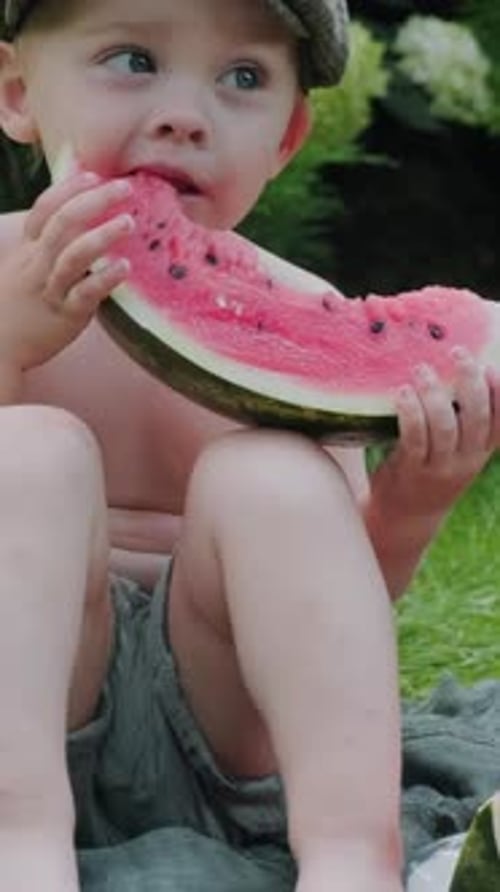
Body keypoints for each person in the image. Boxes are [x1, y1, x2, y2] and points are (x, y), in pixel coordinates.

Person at [0, 0, 498, 890]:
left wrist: (409, 507)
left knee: (273, 477)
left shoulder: (300, 314)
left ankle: (352, 856)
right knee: (27, 452)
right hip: (33, 702)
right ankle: (17, 849)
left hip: (225, 735)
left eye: (243, 78)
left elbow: (334, 609)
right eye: (131, 59)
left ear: (287, 138)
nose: (187, 113)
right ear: (14, 94)